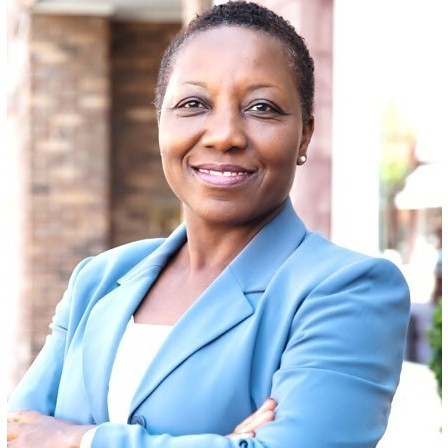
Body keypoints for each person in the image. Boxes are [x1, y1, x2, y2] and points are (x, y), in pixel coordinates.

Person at [7, 2, 410, 447]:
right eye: (194, 104)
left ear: (304, 136)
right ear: (161, 121)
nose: (224, 135)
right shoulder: (99, 280)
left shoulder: (348, 289)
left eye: (261, 107)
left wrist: (77, 440)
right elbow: (18, 433)